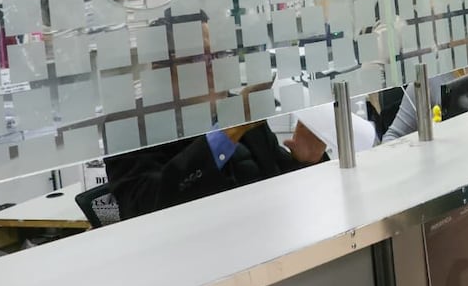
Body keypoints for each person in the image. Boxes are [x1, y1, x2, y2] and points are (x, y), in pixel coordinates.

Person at [105, 83, 331, 220]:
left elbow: (276, 177)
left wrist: (306, 160)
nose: (211, 66)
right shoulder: (130, 126)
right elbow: (145, 209)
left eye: (215, 56)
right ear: (161, 67)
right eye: (196, 58)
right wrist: (226, 133)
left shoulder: (235, 106)